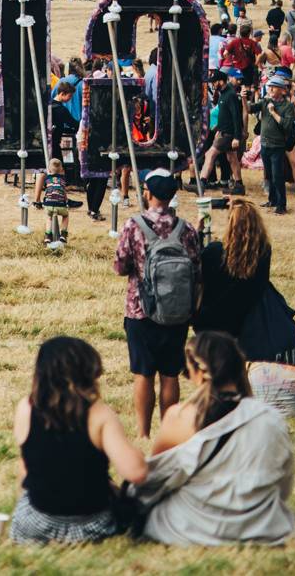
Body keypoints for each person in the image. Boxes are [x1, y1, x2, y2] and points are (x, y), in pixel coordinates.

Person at [135, 330, 295, 546]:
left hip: (193, 526)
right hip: (260, 526)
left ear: (199, 373)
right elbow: (283, 481)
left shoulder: (180, 416)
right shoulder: (270, 417)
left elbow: (155, 479)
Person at [8, 336, 146, 544]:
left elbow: (25, 468)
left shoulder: (25, 408)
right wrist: (138, 454)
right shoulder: (100, 414)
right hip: (92, 524)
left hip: (35, 523)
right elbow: (136, 472)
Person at [194, 199, 295, 416]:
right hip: (251, 318)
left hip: (217, 319)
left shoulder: (213, 253)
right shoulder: (263, 253)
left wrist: (199, 230)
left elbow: (200, 273)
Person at [113, 169, 201, 439]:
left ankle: (142, 434)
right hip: (176, 310)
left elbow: (120, 265)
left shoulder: (133, 225)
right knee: (170, 373)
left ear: (147, 193)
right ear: (173, 195)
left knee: (143, 372)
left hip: (140, 308)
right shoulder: (185, 228)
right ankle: (168, 430)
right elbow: (197, 270)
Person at [254, 71, 295, 214]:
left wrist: (273, 112)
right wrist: (243, 98)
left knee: (277, 176)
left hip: (277, 146)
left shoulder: (287, 106)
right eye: (270, 87)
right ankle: (272, 200)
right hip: (265, 144)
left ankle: (281, 205)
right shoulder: (266, 101)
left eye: (273, 87)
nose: (270, 89)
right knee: (269, 175)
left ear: (282, 90)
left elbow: (286, 125)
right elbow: (250, 108)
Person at [39, 156, 71, 246]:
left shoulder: (47, 178)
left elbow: (46, 189)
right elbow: (64, 192)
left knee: (48, 217)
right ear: (61, 170)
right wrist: (66, 201)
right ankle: (63, 234)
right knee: (65, 216)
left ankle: (48, 236)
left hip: (48, 203)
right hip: (60, 204)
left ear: (48, 169)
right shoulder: (63, 179)